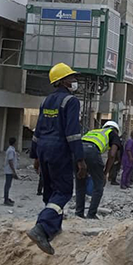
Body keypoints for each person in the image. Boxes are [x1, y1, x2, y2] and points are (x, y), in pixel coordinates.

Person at [26, 63, 87, 255]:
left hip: (44, 149)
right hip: (59, 150)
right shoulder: (71, 101)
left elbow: (38, 130)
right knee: (63, 192)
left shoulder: (47, 101)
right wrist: (80, 159)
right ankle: (42, 228)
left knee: (50, 192)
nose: (74, 81)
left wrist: (35, 155)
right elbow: (73, 133)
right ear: (61, 81)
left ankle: (52, 228)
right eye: (71, 78)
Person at [75, 121, 122, 219]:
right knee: (98, 186)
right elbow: (112, 154)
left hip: (76, 152)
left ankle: (79, 213)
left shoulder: (93, 131)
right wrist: (105, 173)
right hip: (92, 151)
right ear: (116, 130)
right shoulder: (112, 133)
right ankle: (91, 215)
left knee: (80, 183)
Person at [4, 137, 19, 206]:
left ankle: (7, 198)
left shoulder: (11, 149)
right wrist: (13, 171)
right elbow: (10, 161)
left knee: (8, 185)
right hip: (9, 170)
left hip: (10, 170)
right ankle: (6, 199)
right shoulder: (11, 150)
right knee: (7, 185)